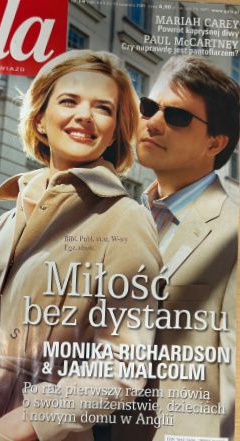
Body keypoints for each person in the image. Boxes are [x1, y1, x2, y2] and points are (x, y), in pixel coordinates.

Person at [0, 50, 161, 441]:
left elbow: (123, 364)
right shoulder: (7, 218)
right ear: (40, 118)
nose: (85, 115)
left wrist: (22, 425)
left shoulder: (126, 218)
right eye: (69, 101)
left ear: (114, 131)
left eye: (103, 108)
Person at [135, 56, 237, 441]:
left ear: (215, 142)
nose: (152, 122)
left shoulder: (233, 232)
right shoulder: (128, 218)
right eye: (149, 107)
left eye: (177, 116)